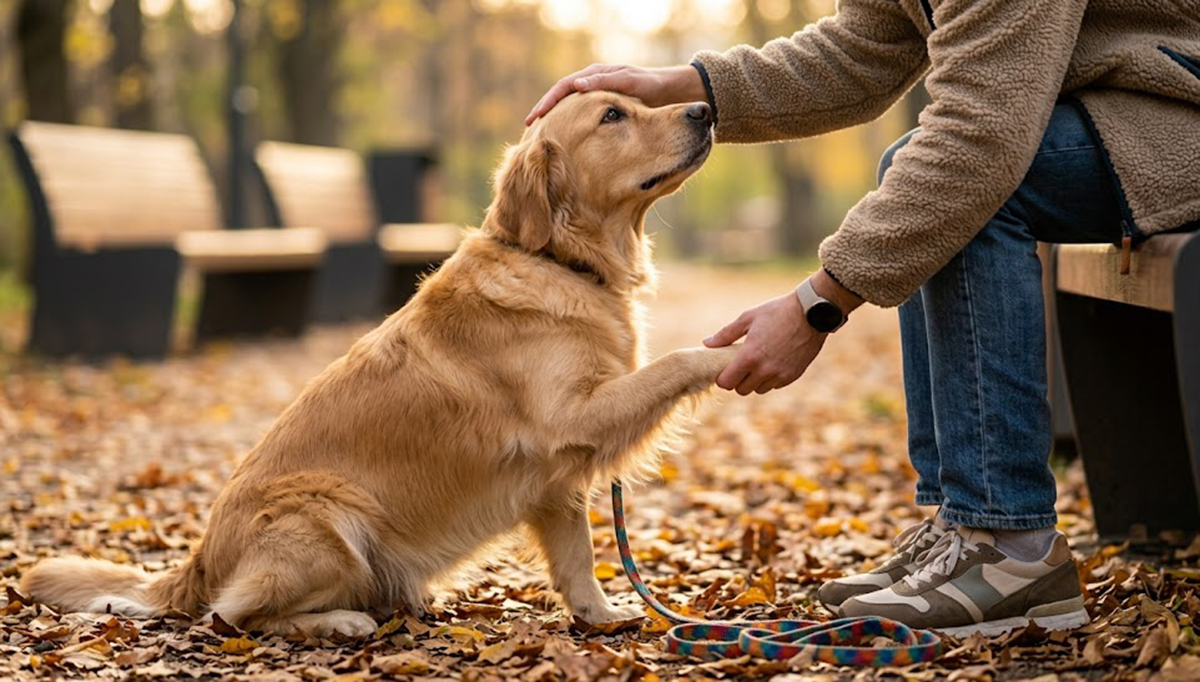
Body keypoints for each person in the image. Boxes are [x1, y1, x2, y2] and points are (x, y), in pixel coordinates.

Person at [526, 0, 1200, 636]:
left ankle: (1009, 540)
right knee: (910, 165)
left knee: (971, 183)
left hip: (1178, 112)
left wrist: (819, 302)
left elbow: (982, 137)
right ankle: (964, 524)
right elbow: (863, 49)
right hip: (1126, 107)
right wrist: (685, 80)